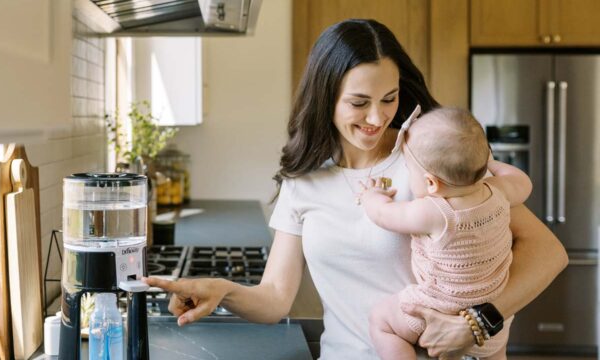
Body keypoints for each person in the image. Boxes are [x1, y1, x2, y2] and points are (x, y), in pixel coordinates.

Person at [143, 19, 567, 359]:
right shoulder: (303, 181)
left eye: (390, 98)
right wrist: (223, 291)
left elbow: (548, 252)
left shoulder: (428, 161)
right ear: (326, 97)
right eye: (359, 102)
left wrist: (478, 320)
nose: (377, 117)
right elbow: (274, 299)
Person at [360, 107, 533, 360]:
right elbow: (523, 181)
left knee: (381, 322)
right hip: (493, 319)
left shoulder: (433, 212)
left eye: (408, 168)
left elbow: (384, 215)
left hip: (438, 310)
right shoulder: (500, 192)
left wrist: (370, 197)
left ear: (431, 183)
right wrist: (491, 164)